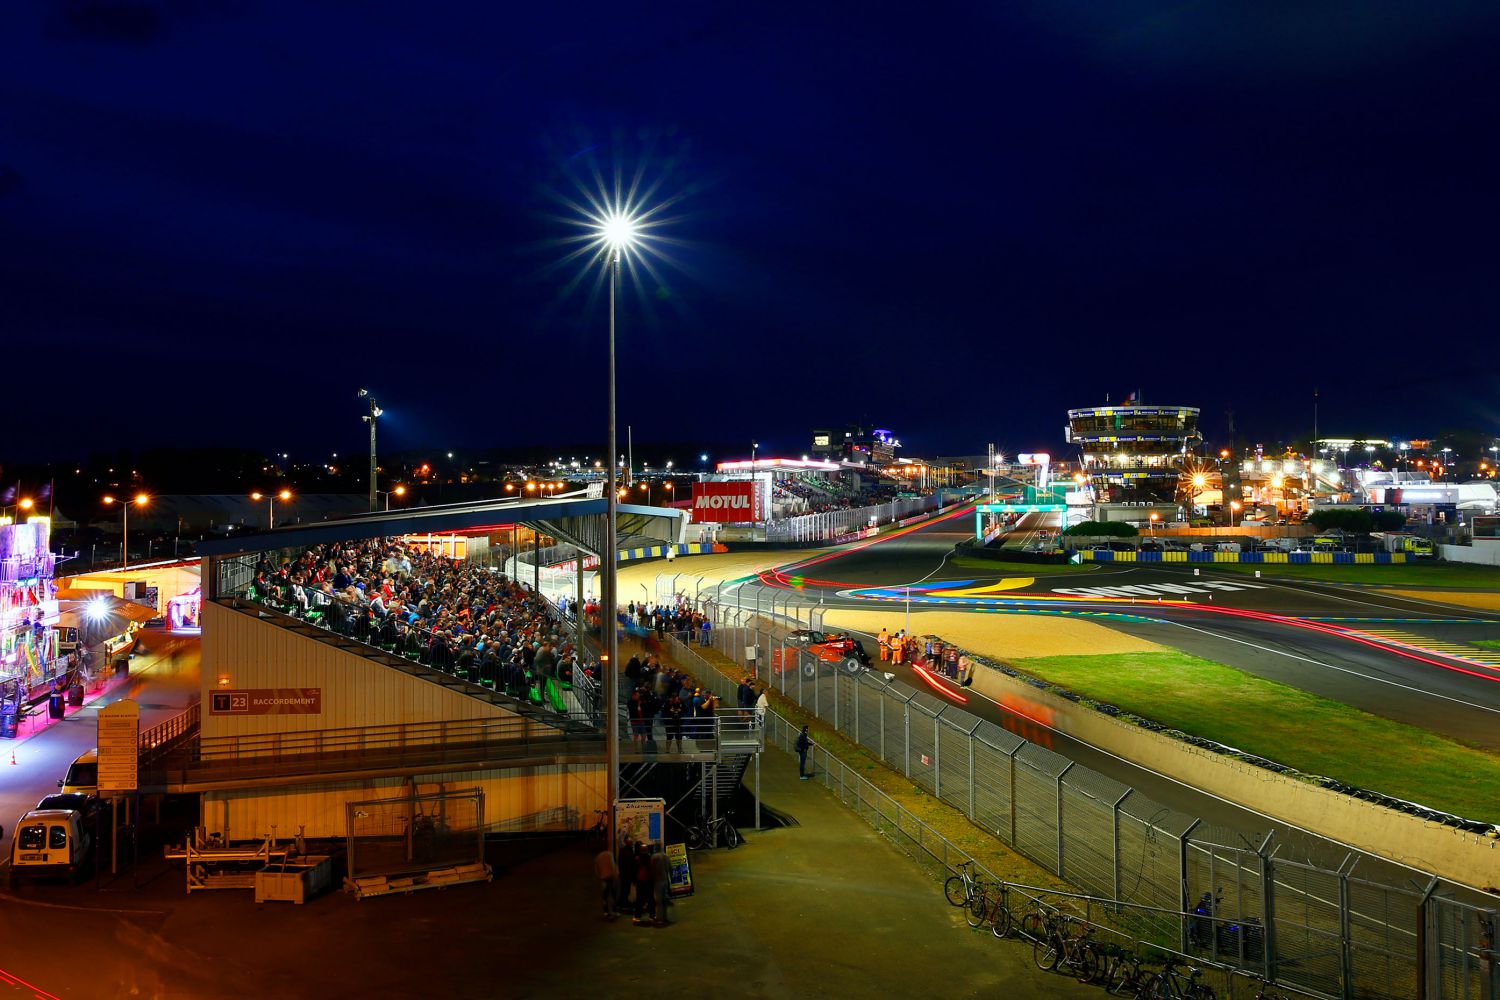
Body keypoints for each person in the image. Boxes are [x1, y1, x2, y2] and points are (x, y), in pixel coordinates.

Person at [594, 843, 619, 919]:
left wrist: (600, 876)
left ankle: (606, 912)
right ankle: (614, 911)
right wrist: (616, 874)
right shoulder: (609, 854)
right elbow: (613, 865)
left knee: (605, 896)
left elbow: (596, 870)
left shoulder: (598, 857)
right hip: (611, 877)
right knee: (613, 894)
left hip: (604, 878)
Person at [649, 842, 672, 926]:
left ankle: (659, 918)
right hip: (665, 880)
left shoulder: (654, 857)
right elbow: (670, 868)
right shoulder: (666, 856)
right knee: (664, 900)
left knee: (658, 901)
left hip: (657, 881)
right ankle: (665, 917)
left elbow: (652, 870)